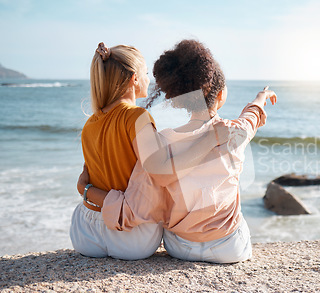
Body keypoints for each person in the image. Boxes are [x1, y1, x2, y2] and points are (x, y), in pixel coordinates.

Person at [80, 39, 277, 263]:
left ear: (180, 100)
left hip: (179, 245)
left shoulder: (162, 140)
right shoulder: (234, 132)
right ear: (221, 95)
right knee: (237, 218)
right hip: (228, 247)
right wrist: (259, 99)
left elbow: (148, 188)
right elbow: (250, 119)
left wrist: (88, 190)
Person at [69, 42, 164, 260]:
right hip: (130, 237)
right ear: (135, 78)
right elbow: (159, 175)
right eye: (147, 73)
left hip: (85, 232)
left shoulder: (89, 124)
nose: (150, 79)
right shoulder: (137, 116)